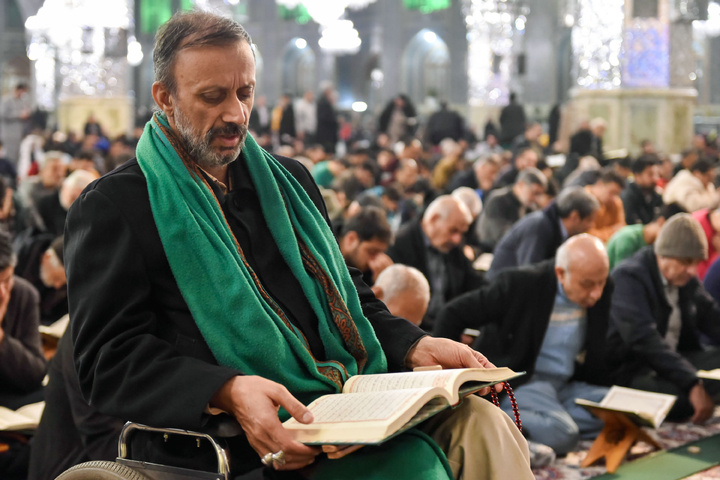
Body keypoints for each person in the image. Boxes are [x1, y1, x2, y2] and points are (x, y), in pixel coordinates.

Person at [65, 11, 532, 480]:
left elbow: (344, 297)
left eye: (244, 92)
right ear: (164, 97)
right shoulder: (115, 205)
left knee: (485, 423)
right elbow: (107, 360)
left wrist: (414, 345)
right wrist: (227, 390)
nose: (236, 114)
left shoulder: (290, 181)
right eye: (212, 97)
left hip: (347, 407)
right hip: (240, 446)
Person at [435, 235, 615, 454]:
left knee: (621, 410)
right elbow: (452, 314)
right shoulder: (521, 284)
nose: (596, 293)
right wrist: (455, 383)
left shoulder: (601, 289)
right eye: (587, 285)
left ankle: (533, 424)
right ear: (560, 273)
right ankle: (497, 421)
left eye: (601, 282)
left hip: (566, 384)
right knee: (565, 434)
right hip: (526, 382)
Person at [607, 214, 720, 423]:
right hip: (636, 369)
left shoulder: (686, 279)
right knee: (678, 400)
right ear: (663, 254)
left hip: (675, 361)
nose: (692, 270)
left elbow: (712, 316)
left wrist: (691, 380)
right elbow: (644, 339)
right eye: (686, 262)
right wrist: (692, 383)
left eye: (696, 263)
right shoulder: (629, 277)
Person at [387, 195, 484, 331]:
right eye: (453, 230)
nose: (457, 239)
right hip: (415, 330)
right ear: (434, 220)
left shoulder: (452, 245)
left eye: (461, 233)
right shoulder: (400, 245)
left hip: (448, 326)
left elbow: (472, 281)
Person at [488, 186, 600, 279]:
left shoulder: (558, 229)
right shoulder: (539, 227)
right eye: (589, 221)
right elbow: (529, 272)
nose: (592, 226)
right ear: (574, 217)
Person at [0, 230, 46, 410]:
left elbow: (36, 373)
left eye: (7, 280)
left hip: (12, 394)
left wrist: (2, 339)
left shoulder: (24, 294)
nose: (3, 292)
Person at [477, 167, 547, 251]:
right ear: (521, 184)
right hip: (489, 250)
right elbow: (502, 235)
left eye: (539, 195)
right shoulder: (498, 200)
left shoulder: (529, 206)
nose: (536, 199)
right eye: (534, 193)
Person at [606, 202, 686, 269]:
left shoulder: (653, 245)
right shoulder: (628, 238)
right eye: (672, 233)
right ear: (661, 222)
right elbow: (621, 277)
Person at [337, 206, 394, 285]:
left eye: (381, 253)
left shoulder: (370, 271)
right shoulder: (324, 254)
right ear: (351, 239)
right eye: (372, 252)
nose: (376, 260)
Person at [584, 168, 626, 243]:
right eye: (612, 192)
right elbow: (587, 235)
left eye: (617, 194)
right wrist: (612, 230)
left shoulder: (616, 202)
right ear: (599, 184)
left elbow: (622, 229)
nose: (614, 198)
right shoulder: (583, 200)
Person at [621, 155, 663, 225]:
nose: (655, 179)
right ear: (637, 175)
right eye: (650, 174)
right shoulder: (627, 197)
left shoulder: (656, 195)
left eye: (657, 174)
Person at [0, 83, 31, 165]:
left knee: (17, 157)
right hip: (9, 134)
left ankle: (15, 174)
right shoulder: (7, 100)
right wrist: (19, 115)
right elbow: (2, 114)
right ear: (18, 90)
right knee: (10, 157)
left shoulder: (21, 101)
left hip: (19, 134)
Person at [315, 84, 339, 155]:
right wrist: (335, 121)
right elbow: (324, 117)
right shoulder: (323, 102)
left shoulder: (326, 102)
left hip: (328, 133)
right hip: (326, 133)